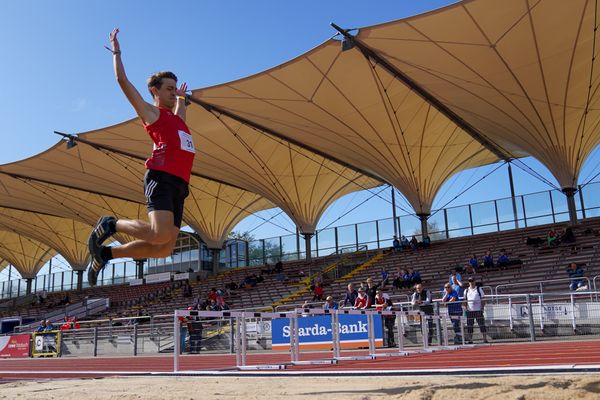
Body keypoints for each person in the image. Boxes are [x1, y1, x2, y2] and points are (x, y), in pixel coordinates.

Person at [87, 28, 195, 286]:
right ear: (154, 92)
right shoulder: (151, 114)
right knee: (158, 234)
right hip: (161, 176)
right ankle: (111, 224)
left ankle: (106, 253)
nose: (173, 92)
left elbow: (180, 108)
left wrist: (180, 99)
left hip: (181, 184)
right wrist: (117, 52)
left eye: (174, 89)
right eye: (168, 89)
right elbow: (123, 82)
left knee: (164, 247)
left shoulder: (177, 117)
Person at [464, 277, 488, 344]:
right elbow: (465, 300)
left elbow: (483, 299)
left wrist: (482, 308)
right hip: (470, 311)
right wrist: (466, 308)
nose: (471, 282)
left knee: (481, 324)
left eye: (472, 281)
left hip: (478, 310)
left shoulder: (479, 289)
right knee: (469, 325)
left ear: (474, 281)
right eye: (470, 281)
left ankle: (484, 339)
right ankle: (470, 339)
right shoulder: (466, 290)